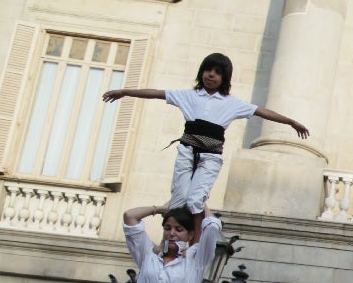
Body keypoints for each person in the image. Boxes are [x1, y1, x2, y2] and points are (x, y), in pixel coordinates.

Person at [101, 53, 308, 213]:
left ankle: (197, 241)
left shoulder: (232, 103)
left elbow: (262, 111)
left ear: (224, 77)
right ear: (202, 72)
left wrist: (290, 121)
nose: (211, 75)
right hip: (187, 152)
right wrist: (125, 92)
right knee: (179, 199)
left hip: (210, 156)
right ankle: (179, 242)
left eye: (217, 72)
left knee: (195, 200)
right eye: (208, 70)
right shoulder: (189, 96)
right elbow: (156, 93)